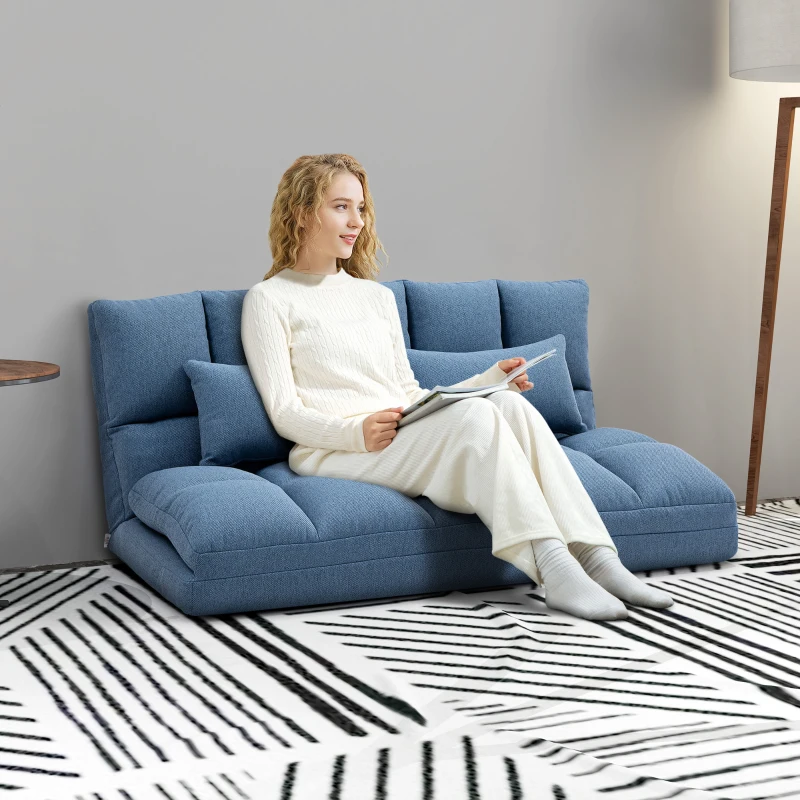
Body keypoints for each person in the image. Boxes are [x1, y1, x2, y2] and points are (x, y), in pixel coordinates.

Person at [241, 153, 673, 621]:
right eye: (341, 207)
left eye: (361, 209)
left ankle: (596, 557)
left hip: (400, 431)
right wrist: (355, 432)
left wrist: (490, 381)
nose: (357, 222)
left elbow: (406, 390)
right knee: (477, 417)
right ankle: (553, 568)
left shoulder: (376, 298)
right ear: (303, 212)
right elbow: (284, 412)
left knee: (509, 405)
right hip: (335, 449)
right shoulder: (269, 299)